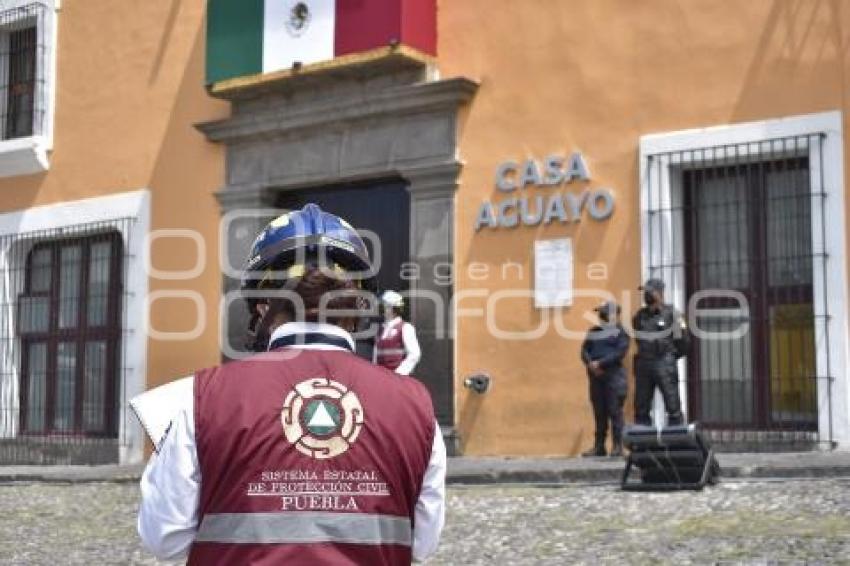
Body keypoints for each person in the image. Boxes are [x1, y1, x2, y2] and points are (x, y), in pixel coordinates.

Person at [137, 204, 446, 565]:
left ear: (260, 304)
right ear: (357, 305)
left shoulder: (199, 397)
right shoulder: (416, 407)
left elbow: (165, 538)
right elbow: (422, 543)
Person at [632, 278, 690, 426]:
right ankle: (643, 444)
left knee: (672, 405)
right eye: (645, 292)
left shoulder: (672, 314)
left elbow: (684, 342)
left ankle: (676, 441)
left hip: (664, 362)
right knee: (641, 406)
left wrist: (670, 356)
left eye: (649, 292)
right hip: (644, 364)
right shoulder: (639, 316)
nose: (646, 295)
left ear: (659, 293)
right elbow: (638, 338)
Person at [580, 301, 629, 458]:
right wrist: (590, 364)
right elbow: (584, 350)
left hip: (613, 376)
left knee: (615, 411)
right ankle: (599, 446)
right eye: (600, 313)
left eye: (604, 313)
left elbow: (619, 353)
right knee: (599, 412)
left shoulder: (621, 333)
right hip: (596, 377)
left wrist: (600, 363)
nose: (601, 316)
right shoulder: (594, 331)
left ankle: (617, 446)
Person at [375, 290, 421, 375]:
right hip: (381, 377)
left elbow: (414, 354)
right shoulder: (381, 329)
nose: (381, 309)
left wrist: (399, 373)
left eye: (383, 306)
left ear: (392, 308)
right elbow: (376, 355)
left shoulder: (406, 328)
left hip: (398, 378)